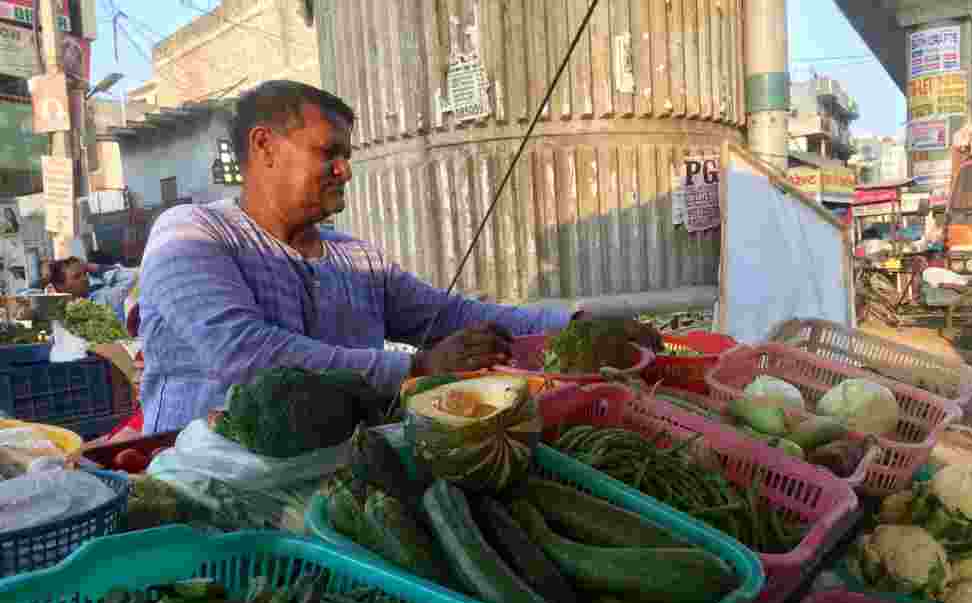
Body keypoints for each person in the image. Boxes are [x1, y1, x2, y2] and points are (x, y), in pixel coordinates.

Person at [137, 80, 661, 435]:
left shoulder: (355, 258)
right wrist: (415, 366)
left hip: (336, 472)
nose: (344, 170)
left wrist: (576, 324)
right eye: (329, 153)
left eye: (348, 156)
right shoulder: (193, 233)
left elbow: (452, 317)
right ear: (264, 146)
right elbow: (245, 356)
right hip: (203, 481)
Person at [45, 257, 139, 324]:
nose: (85, 278)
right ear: (61, 287)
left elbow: (130, 277)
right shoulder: (56, 312)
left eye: (85, 273)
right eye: (77, 276)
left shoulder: (104, 298)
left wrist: (91, 267)